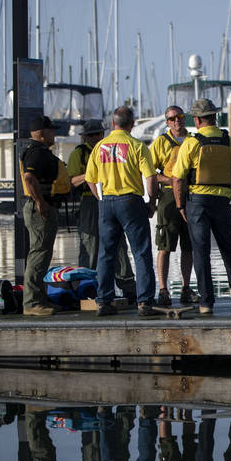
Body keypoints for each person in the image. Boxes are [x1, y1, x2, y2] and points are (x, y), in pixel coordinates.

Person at [172, 98, 231, 315]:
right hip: (222, 202)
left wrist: (180, 206)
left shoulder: (191, 142)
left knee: (201, 252)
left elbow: (178, 179)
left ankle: (206, 303)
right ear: (214, 117)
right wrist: (228, 192)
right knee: (229, 250)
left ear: (196, 120)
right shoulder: (229, 141)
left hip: (198, 202)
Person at [84, 106, 160, 317]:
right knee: (141, 253)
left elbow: (90, 178)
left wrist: (101, 199)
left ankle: (104, 301)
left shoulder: (99, 147)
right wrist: (152, 201)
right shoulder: (136, 145)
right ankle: (144, 302)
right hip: (130, 201)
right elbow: (151, 177)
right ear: (132, 124)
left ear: (112, 124)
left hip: (107, 201)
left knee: (106, 254)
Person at [68, 119, 136, 301]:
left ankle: (128, 288)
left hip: (111, 199)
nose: (94, 138)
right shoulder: (79, 154)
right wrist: (91, 172)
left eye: (97, 134)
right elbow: (72, 181)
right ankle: (86, 290)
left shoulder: (110, 149)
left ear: (103, 134)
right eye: (90, 135)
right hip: (90, 202)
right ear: (84, 137)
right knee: (90, 244)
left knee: (119, 245)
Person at [19, 115, 72, 316]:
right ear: (41, 134)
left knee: (43, 254)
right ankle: (32, 303)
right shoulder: (36, 153)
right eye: (51, 131)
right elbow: (29, 177)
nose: (54, 134)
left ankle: (39, 299)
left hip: (45, 206)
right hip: (40, 208)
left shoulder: (40, 151)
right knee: (39, 254)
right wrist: (41, 203)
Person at [149, 106, 199, 307]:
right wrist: (169, 180)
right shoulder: (160, 143)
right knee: (165, 246)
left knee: (189, 246)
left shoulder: (193, 140)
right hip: (169, 196)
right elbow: (150, 172)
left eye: (179, 117)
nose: (177, 121)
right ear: (167, 122)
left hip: (190, 194)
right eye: (172, 118)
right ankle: (163, 290)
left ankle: (186, 288)